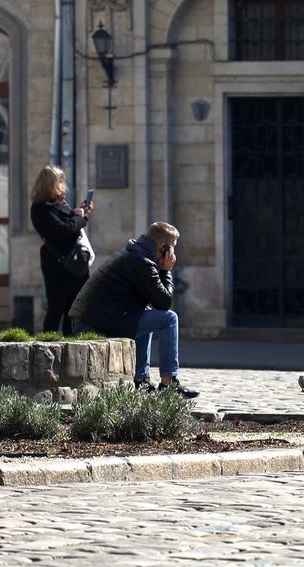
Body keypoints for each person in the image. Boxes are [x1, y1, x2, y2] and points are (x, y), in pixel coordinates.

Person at [69, 222, 199, 397]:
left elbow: (156, 302)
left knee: (147, 314)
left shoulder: (136, 255)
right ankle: (168, 383)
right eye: (173, 247)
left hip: (94, 319)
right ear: (163, 247)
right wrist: (166, 271)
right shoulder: (142, 262)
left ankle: (141, 380)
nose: (174, 253)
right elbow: (164, 302)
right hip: (93, 325)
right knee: (169, 319)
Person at [29, 165, 93, 336]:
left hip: (74, 262)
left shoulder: (58, 203)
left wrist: (80, 212)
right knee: (56, 308)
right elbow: (64, 230)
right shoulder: (40, 209)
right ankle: (47, 343)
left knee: (73, 308)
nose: (63, 186)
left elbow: (69, 222)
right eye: (60, 182)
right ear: (50, 185)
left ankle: (70, 341)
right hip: (57, 264)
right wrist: (81, 218)